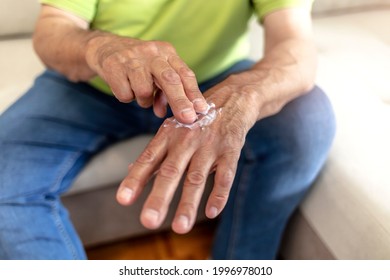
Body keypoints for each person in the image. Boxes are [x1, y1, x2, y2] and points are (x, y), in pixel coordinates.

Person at [0, 0, 335, 259]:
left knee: (307, 120)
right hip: (94, 81)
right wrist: (102, 48)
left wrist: (245, 95)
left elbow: (296, 46)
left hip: (212, 82)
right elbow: (52, 31)